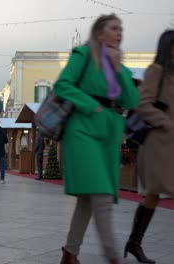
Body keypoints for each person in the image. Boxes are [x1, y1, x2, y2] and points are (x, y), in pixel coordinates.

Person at [53, 14, 139, 264]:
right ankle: (114, 257)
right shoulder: (83, 54)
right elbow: (62, 85)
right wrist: (92, 106)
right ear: (100, 32)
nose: (119, 33)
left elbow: (131, 101)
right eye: (114, 28)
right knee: (101, 195)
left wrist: (120, 68)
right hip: (83, 131)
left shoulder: (116, 62)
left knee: (87, 200)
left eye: (121, 28)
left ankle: (70, 253)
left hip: (109, 136)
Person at [123, 30, 174, 264]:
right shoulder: (157, 72)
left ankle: (134, 243)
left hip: (169, 144)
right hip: (157, 143)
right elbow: (142, 103)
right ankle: (134, 242)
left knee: (152, 196)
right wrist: (166, 123)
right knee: (153, 193)